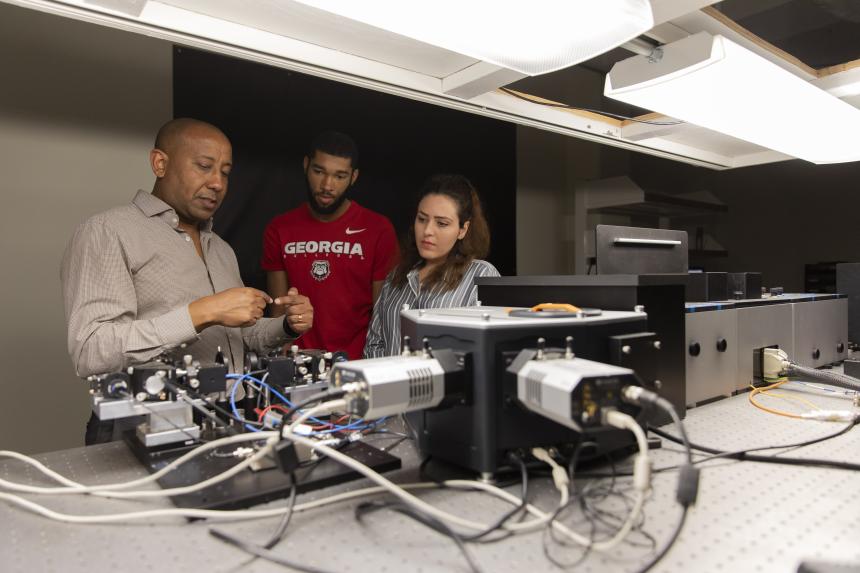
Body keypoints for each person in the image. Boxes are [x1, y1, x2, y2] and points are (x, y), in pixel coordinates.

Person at [61, 118, 314, 443]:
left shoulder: (221, 249)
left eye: (225, 172)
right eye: (204, 166)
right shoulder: (108, 232)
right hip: (144, 425)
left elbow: (240, 337)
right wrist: (201, 312)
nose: (217, 183)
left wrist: (286, 326)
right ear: (160, 163)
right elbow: (91, 350)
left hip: (229, 417)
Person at [262, 131, 399, 359]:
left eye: (339, 176)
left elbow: (383, 314)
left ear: (353, 177)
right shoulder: (279, 228)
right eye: (319, 171)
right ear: (306, 165)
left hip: (357, 362)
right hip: (299, 364)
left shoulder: (378, 229)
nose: (327, 185)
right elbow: (278, 312)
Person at [364, 174, 499, 358]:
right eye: (422, 219)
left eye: (442, 223)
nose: (427, 231)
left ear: (463, 229)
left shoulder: (480, 276)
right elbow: (374, 344)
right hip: (390, 385)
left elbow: (489, 353)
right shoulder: (395, 277)